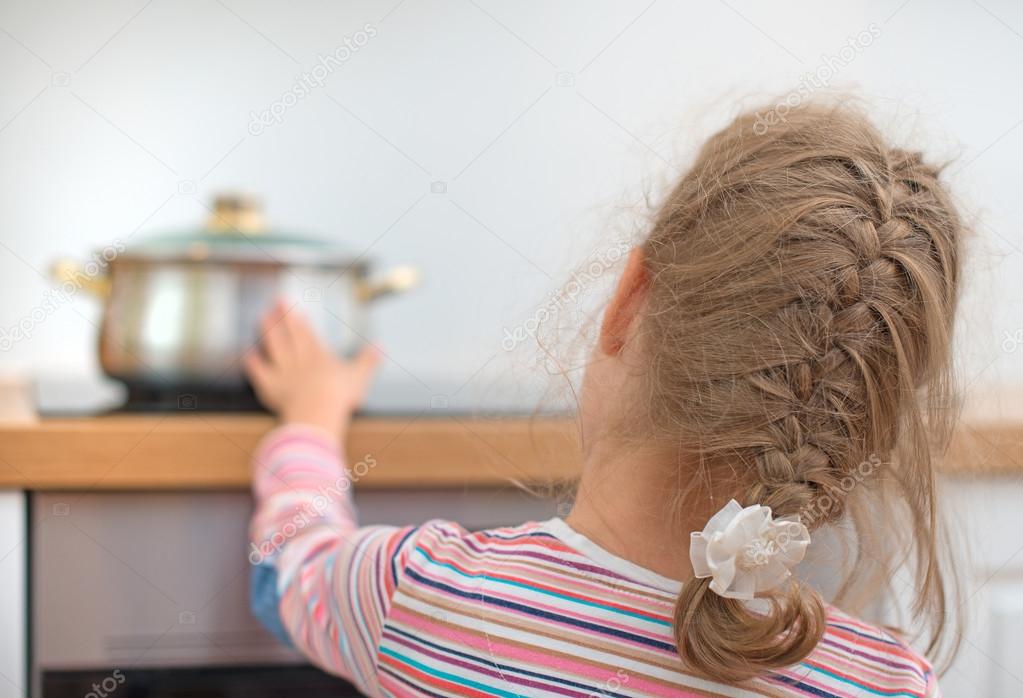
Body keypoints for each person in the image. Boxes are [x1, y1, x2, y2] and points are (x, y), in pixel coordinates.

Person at [245, 101, 962, 697]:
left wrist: (309, 422)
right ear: (866, 419)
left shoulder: (419, 596)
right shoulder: (888, 682)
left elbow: (288, 566)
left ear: (627, 302)